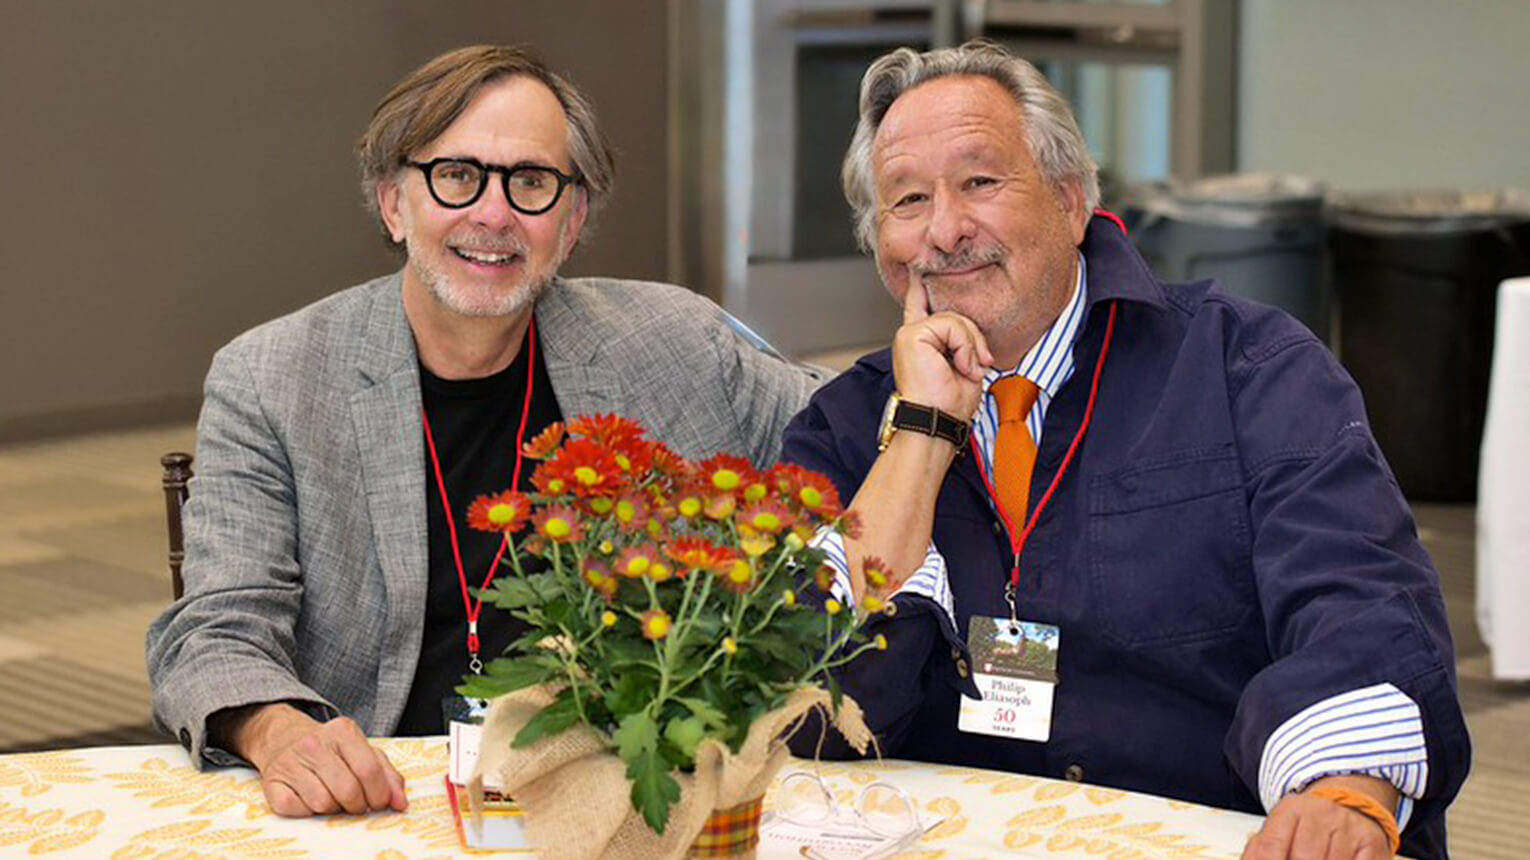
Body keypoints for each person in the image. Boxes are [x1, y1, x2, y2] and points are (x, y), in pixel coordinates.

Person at [782, 41, 1469, 860]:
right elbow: (804, 702)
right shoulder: (849, 422)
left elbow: (1359, 595)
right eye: (906, 200)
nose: (945, 230)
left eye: (980, 182)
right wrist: (923, 436)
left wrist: (1343, 791)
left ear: (1071, 202)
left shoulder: (1243, 367)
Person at [146, 45, 823, 819]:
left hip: (627, 802)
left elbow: (851, 432)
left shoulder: (670, 343)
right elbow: (212, 635)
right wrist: (276, 729)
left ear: (572, 222)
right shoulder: (273, 379)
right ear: (395, 202)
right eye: (457, 176)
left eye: (531, 182)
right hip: (378, 806)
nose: (493, 215)